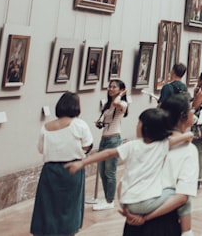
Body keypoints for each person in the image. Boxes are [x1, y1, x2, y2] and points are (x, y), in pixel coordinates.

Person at [66, 108, 193, 218]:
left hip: (126, 201)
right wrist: (188, 136)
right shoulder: (162, 145)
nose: (136, 125)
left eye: (139, 123)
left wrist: (83, 162)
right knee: (180, 195)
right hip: (144, 203)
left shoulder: (132, 145)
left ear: (145, 128)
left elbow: (107, 153)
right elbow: (184, 137)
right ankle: (187, 232)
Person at [121, 92, 198, 236]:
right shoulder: (188, 149)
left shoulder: (146, 143)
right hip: (164, 222)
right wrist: (145, 218)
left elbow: (126, 181)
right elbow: (182, 197)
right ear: (183, 116)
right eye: (190, 110)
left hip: (133, 220)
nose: (192, 113)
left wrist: (128, 211)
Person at [30, 92, 93, 236]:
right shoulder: (79, 124)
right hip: (72, 169)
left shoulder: (46, 126)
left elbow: (40, 149)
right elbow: (87, 144)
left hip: (50, 170)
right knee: (69, 208)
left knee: (48, 206)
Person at [91, 79, 129, 211]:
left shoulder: (122, 103)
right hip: (104, 139)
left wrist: (122, 94)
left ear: (121, 90)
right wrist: (99, 123)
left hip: (114, 139)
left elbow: (117, 103)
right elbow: (106, 119)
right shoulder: (108, 105)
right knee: (102, 171)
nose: (111, 89)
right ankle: (107, 198)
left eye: (114, 87)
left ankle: (110, 200)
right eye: (110, 87)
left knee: (110, 171)